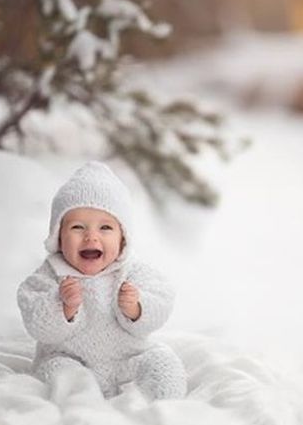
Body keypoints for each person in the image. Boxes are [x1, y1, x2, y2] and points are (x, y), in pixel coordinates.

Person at [16, 161, 187, 401]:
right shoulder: (50, 274)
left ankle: (161, 405)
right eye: (77, 227)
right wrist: (63, 307)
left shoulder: (132, 271)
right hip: (70, 359)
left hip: (127, 358)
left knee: (163, 361)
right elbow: (36, 321)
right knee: (57, 373)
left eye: (105, 227)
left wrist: (137, 308)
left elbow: (163, 298)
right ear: (58, 236)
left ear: (122, 238)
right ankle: (84, 407)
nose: (91, 236)